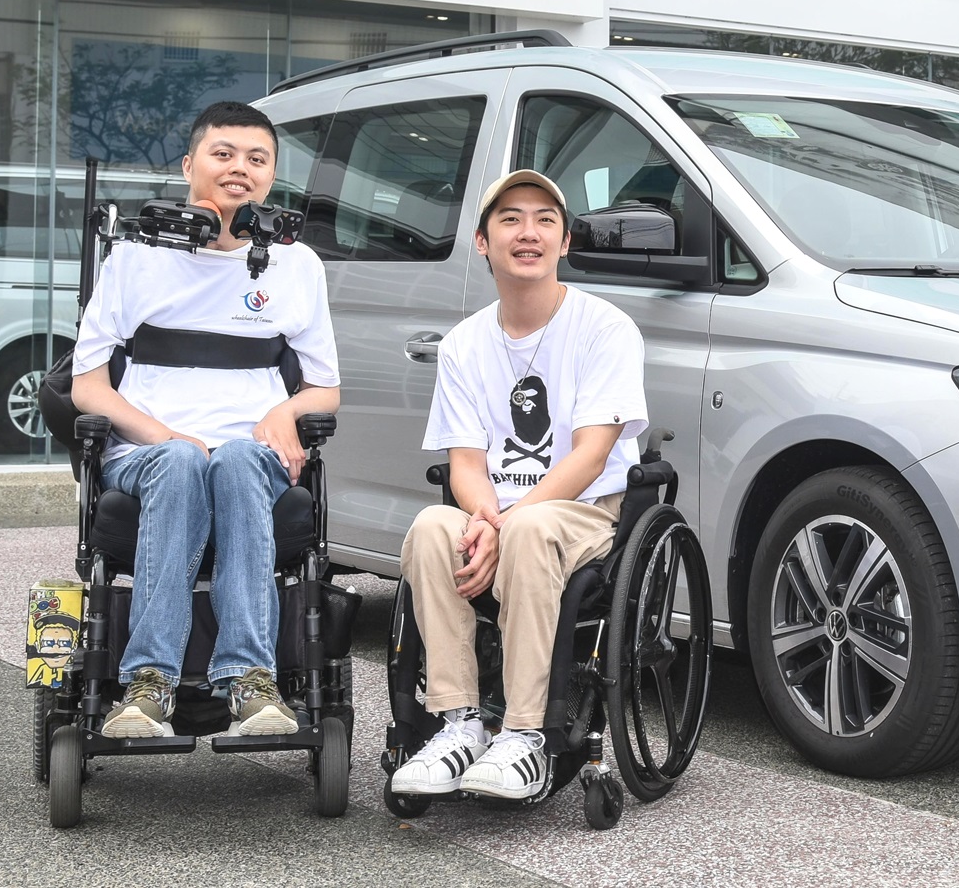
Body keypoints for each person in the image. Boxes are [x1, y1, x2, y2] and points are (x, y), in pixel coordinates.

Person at [70, 101, 341, 740]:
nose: (239, 168)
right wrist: (169, 438)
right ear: (190, 165)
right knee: (182, 460)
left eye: (256, 158)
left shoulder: (298, 266)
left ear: (272, 174)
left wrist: (286, 409)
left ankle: (250, 680)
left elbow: (325, 390)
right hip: (148, 453)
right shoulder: (133, 259)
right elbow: (87, 387)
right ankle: (149, 683)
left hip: (250, 452)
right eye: (223, 154)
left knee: (239, 457)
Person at [388, 169, 648, 801]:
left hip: (584, 511)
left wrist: (503, 525)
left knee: (530, 527)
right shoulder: (464, 344)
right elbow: (465, 465)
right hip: (500, 514)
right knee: (432, 526)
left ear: (564, 242)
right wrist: (485, 519)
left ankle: (527, 733)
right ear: (483, 242)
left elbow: (591, 456)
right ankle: (459, 723)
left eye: (544, 220)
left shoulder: (605, 328)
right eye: (510, 219)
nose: (528, 232)